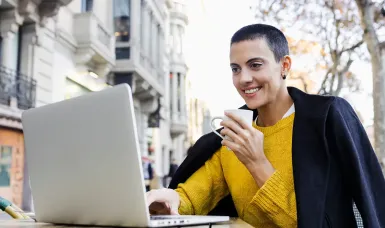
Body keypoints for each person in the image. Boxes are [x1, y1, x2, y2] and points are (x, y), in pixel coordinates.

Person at [146, 24, 385, 227]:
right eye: (235, 69)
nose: (243, 79)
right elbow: (194, 195)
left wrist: (256, 162)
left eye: (255, 65)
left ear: (285, 66)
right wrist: (169, 199)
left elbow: (311, 221)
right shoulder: (232, 135)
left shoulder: (325, 121)